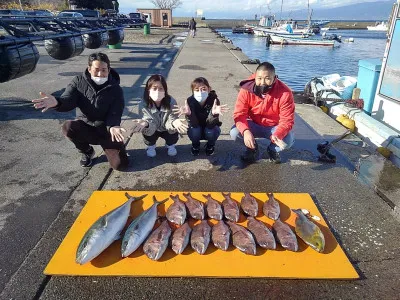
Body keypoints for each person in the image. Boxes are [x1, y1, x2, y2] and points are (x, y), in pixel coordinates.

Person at [32, 52, 128, 170]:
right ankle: (87, 151)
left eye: (104, 70)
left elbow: (116, 110)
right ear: (89, 68)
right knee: (68, 127)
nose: (100, 74)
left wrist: (113, 125)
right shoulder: (78, 81)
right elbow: (68, 99)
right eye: (96, 69)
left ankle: (117, 150)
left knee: (120, 165)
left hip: (106, 130)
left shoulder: (116, 88)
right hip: (86, 126)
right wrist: (57, 102)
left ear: (108, 69)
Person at [230, 62, 295, 164]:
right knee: (235, 132)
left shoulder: (285, 93)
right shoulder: (246, 89)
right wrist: (246, 131)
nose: (262, 82)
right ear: (255, 77)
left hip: (273, 127)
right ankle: (252, 148)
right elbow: (239, 114)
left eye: (267, 78)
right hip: (253, 123)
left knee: (288, 140)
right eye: (259, 78)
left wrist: (278, 134)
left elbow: (287, 120)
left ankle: (272, 150)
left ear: (274, 78)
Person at [131, 74, 188, 157]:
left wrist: (174, 122)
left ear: (165, 90)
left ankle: (170, 145)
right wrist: (146, 123)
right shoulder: (143, 104)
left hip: (166, 128)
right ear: (148, 90)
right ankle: (151, 146)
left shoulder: (171, 101)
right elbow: (148, 120)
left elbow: (172, 118)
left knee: (174, 130)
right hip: (153, 128)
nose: (158, 91)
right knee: (146, 129)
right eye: (154, 88)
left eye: (161, 88)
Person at [173, 77, 228, 156]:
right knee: (194, 129)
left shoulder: (214, 100)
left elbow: (210, 124)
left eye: (203, 89)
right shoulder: (190, 101)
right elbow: (194, 124)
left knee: (211, 130)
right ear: (193, 91)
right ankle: (195, 146)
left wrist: (214, 114)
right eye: (197, 90)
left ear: (209, 89)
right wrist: (189, 114)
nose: (200, 92)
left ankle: (210, 146)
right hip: (197, 128)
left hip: (209, 128)